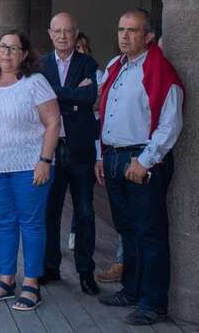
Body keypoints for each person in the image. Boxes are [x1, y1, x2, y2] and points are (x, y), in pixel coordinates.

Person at [96, 10, 183, 326]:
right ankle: (131, 290)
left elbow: (170, 122)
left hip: (142, 159)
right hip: (114, 157)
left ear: (148, 36)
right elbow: (103, 113)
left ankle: (153, 303)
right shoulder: (114, 67)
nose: (124, 36)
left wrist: (146, 161)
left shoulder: (160, 70)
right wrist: (100, 156)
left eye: (132, 30)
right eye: (121, 29)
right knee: (128, 231)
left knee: (150, 234)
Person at [0, 30, 60, 311]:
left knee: (31, 224)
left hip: (29, 167)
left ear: (24, 55)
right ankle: (6, 280)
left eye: (13, 49)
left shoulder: (36, 83)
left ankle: (31, 282)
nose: (6, 53)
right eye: (3, 47)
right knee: (3, 221)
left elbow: (53, 123)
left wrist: (45, 160)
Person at [39, 13, 100, 295]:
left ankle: (85, 272)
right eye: (57, 31)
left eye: (68, 31)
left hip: (80, 151)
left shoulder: (88, 63)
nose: (63, 36)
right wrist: (73, 93)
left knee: (85, 213)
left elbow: (90, 98)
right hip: (50, 150)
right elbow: (38, 101)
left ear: (76, 34)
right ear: (50, 34)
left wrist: (56, 94)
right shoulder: (40, 66)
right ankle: (50, 267)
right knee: (49, 213)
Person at [77, 31, 124, 283]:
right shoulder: (112, 67)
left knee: (89, 207)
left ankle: (119, 263)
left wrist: (85, 97)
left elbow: (97, 103)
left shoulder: (99, 71)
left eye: (85, 46)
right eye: (78, 46)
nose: (82, 50)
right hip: (96, 145)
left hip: (107, 147)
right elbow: (92, 102)